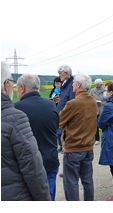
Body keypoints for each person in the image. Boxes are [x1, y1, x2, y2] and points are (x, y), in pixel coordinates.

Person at [1, 61, 50, 201]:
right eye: (11, 81)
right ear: (6, 84)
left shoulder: (16, 110)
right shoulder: (14, 117)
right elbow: (33, 168)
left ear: (22, 88)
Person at [14, 74, 59, 201]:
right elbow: (55, 128)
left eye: (17, 89)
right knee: (48, 197)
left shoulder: (16, 108)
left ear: (22, 88)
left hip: (27, 165)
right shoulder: (51, 105)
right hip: (50, 159)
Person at [59, 73, 98, 201]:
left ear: (78, 85)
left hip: (73, 149)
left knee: (71, 183)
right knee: (87, 181)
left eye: (74, 82)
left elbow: (59, 121)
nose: (72, 85)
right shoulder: (93, 101)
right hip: (88, 148)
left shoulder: (73, 103)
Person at [56, 65, 75, 153]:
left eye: (60, 74)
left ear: (66, 74)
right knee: (59, 133)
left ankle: (66, 147)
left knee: (63, 133)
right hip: (61, 113)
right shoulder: (65, 84)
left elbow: (71, 101)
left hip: (66, 114)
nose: (59, 76)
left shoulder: (71, 85)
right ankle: (61, 146)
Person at [90, 78, 107, 145]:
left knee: (103, 124)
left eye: (99, 86)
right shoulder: (92, 91)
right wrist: (94, 101)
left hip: (103, 108)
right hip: (95, 109)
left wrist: (102, 102)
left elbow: (108, 99)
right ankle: (97, 139)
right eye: (97, 86)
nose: (98, 87)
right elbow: (90, 98)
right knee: (95, 125)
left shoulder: (105, 90)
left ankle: (104, 138)